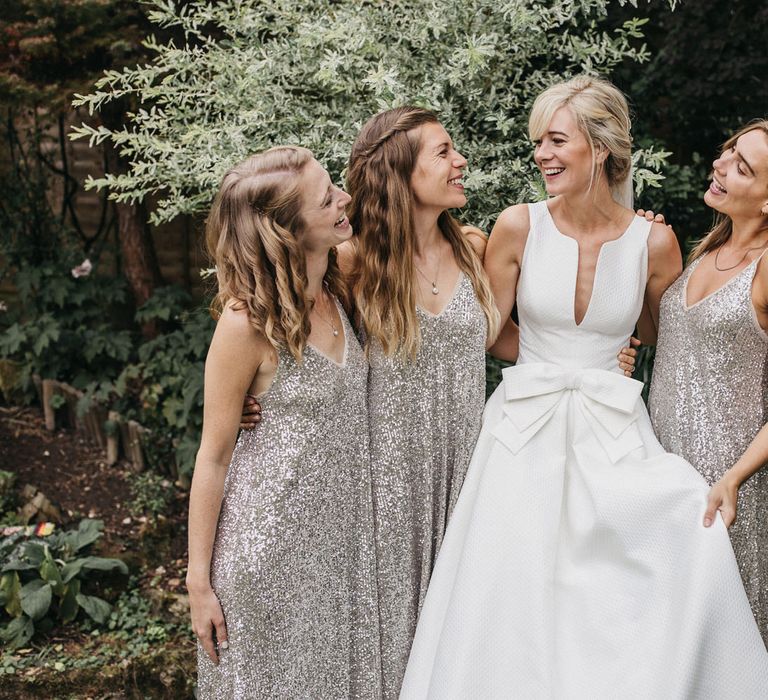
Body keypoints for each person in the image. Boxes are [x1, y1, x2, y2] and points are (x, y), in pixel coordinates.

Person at [400, 77, 768, 699]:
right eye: (537, 141)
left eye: (556, 140)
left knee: (612, 603)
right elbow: (482, 330)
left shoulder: (657, 241)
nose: (540, 153)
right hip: (519, 435)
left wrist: (609, 358)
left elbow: (663, 330)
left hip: (614, 434)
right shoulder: (515, 227)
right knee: (508, 595)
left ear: (599, 148)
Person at [187, 146, 381, 699]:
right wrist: (198, 582)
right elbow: (214, 456)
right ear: (288, 231)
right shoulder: (245, 324)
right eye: (327, 199)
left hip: (341, 550)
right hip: (267, 554)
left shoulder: (341, 279)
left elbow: (429, 250)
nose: (346, 199)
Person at [343, 106, 516, 699]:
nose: (460, 161)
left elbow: (511, 341)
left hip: (470, 471)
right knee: (392, 639)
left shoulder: (474, 246)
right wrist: (245, 402)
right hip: (382, 483)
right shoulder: (352, 262)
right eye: (443, 152)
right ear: (399, 170)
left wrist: (595, 352)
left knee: (462, 640)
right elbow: (291, 340)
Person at [644, 120, 768, 643]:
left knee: (722, 642)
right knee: (664, 637)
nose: (721, 166)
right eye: (728, 153)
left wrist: (734, 478)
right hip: (661, 469)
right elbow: (664, 339)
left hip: (723, 486)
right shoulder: (704, 251)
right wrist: (642, 248)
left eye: (743, 167)